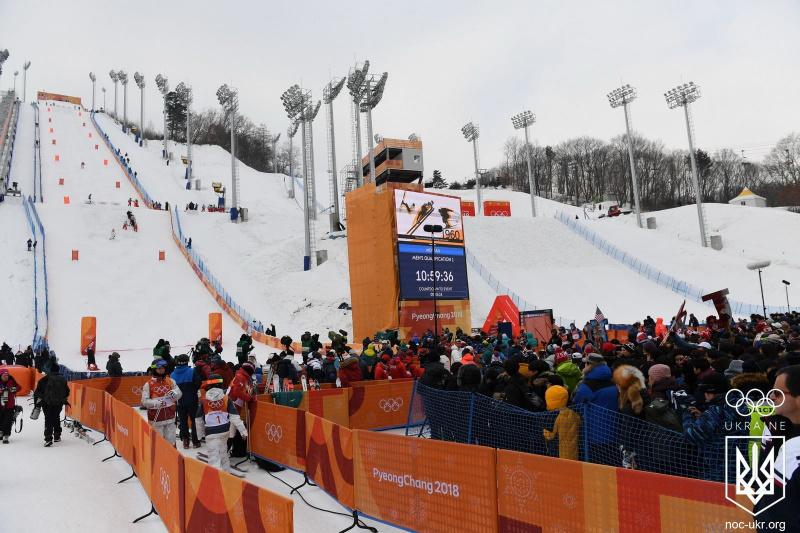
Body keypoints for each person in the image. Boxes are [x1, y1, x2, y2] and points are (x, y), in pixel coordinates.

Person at [754, 366, 800, 529]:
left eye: (778, 393)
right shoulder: (773, 426)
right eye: (772, 391)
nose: (772, 397)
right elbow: (763, 473)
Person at [194, 374, 247, 473]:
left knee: (214, 457)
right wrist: (243, 431)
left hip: (211, 432)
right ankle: (226, 474)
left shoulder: (204, 401)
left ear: (209, 386)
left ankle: (217, 479)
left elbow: (198, 418)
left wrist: (199, 434)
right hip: (224, 432)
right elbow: (235, 417)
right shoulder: (226, 399)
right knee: (223, 455)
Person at [573, 353, 619, 463]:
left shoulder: (587, 385)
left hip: (593, 433)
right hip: (613, 430)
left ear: (589, 365)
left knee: (596, 465)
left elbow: (578, 406)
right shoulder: (612, 382)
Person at [141, 360, 182, 446]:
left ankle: (172, 459)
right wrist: (155, 403)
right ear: (154, 369)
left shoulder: (170, 381)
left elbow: (179, 393)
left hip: (170, 418)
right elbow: (144, 401)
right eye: (159, 368)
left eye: (163, 368)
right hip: (156, 420)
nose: (161, 370)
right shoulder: (148, 384)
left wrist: (175, 394)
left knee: (171, 442)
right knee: (158, 443)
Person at [33, 363, 70, 446]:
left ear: (50, 370)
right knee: (56, 417)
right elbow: (67, 391)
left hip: (47, 403)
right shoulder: (63, 379)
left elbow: (37, 392)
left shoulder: (44, 379)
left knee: (48, 419)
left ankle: (48, 437)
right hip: (58, 403)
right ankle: (57, 435)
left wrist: (37, 403)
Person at [171, 354, 202, 449]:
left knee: (183, 421)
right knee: (194, 420)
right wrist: (194, 389)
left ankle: (185, 441)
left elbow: (172, 388)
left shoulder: (172, 374)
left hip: (180, 401)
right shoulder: (191, 371)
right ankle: (196, 441)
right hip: (192, 399)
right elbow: (199, 382)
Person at [543, 385, 582, 460]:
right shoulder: (572, 412)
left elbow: (550, 435)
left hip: (557, 451)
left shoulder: (552, 416)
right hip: (573, 451)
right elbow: (580, 422)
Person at [228, 362, 255, 458]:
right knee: (231, 431)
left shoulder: (242, 376)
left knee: (232, 430)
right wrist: (248, 398)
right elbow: (237, 391)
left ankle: (228, 451)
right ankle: (223, 453)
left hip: (234, 406)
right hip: (232, 406)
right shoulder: (241, 377)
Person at [0, 369, 20, 444]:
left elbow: (19, 388)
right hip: (1, 405)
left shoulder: (12, 381)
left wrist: (11, 389)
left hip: (9, 406)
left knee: (7, 421)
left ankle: (6, 435)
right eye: (4, 375)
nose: (6, 377)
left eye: (7, 375)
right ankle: (1, 432)